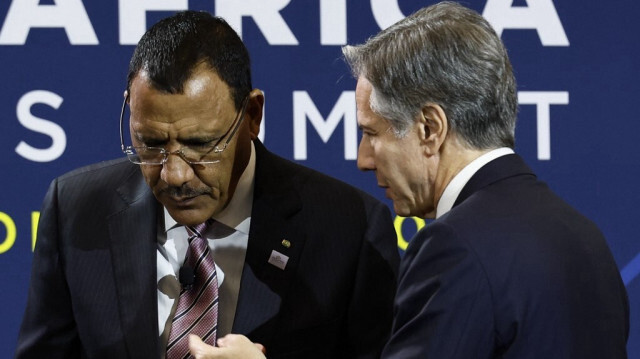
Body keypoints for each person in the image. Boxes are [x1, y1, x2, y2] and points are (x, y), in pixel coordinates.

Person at [15, 11, 399, 359]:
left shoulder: (349, 230)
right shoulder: (77, 208)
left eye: (200, 145)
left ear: (252, 115)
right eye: (151, 144)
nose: (174, 175)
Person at [342, 1, 629, 358]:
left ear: (430, 128)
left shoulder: (454, 247)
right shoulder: (585, 237)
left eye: (372, 133)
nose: (363, 160)